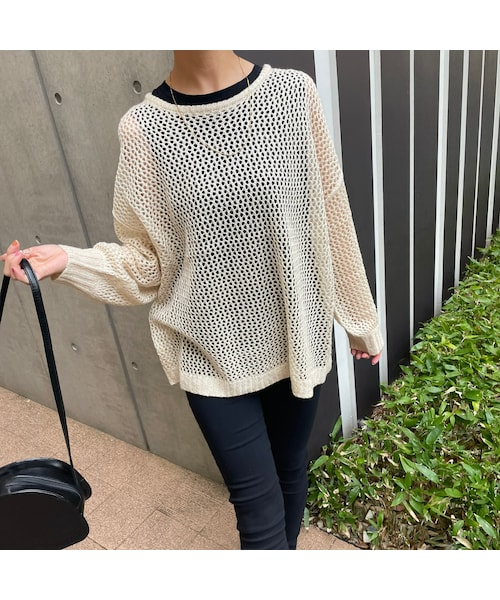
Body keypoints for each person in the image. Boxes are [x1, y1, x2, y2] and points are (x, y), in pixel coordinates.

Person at [2, 50, 383, 550]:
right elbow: (149, 262)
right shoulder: (142, 130)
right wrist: (69, 261)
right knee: (257, 509)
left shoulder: (294, 94)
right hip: (210, 354)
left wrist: (360, 319)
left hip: (296, 338)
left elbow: (330, 208)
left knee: (291, 472)